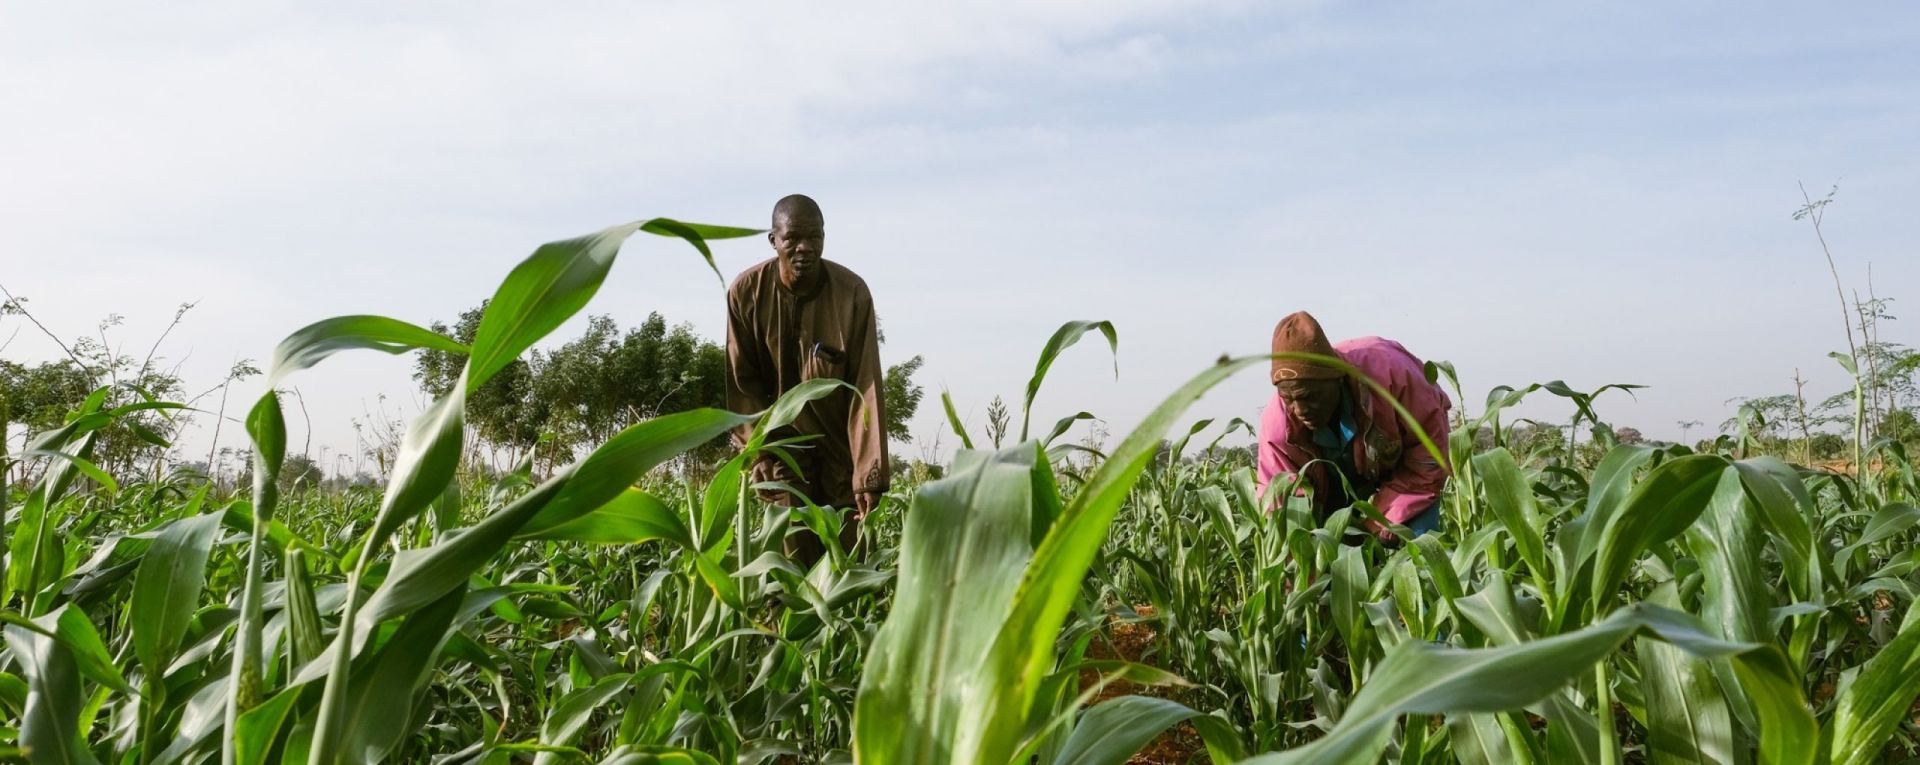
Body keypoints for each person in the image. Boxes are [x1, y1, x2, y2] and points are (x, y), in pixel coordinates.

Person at [725, 194, 888, 567]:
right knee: (789, 565)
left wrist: (869, 475)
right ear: (774, 241)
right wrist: (758, 451)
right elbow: (742, 380)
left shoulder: (852, 294)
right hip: (781, 449)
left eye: (814, 238)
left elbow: (866, 385)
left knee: (851, 565)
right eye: (793, 239)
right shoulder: (745, 292)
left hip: (840, 452)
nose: (805, 248)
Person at [1256, 311, 1451, 542]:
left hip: (1404, 468)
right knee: (1333, 553)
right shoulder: (1278, 426)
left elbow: (1426, 463)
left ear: (1336, 379)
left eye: (1310, 396)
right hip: (1332, 480)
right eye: (1288, 398)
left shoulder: (1395, 378)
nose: (1300, 410)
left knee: (1419, 545)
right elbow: (1286, 513)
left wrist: (1380, 522)